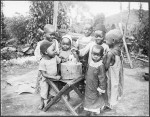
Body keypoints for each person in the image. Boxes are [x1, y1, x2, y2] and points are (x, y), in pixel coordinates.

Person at [82, 45, 107, 116]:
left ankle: (94, 110)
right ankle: (89, 109)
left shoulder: (100, 65)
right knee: (88, 97)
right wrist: (86, 79)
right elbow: (87, 72)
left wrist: (101, 89)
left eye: (98, 55)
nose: (95, 56)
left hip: (95, 86)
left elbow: (102, 78)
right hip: (89, 84)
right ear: (91, 54)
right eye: (94, 54)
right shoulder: (90, 63)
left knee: (95, 97)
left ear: (101, 56)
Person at [34, 24, 59, 94]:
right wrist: (44, 60)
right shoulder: (41, 43)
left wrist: (55, 53)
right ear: (45, 34)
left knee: (53, 83)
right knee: (43, 84)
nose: (52, 36)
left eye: (53, 34)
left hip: (52, 65)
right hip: (45, 66)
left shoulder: (55, 42)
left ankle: (51, 97)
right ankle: (43, 98)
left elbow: (56, 50)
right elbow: (37, 55)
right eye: (50, 34)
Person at [103, 29, 124, 109]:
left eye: (106, 40)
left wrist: (103, 59)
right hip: (116, 75)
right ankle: (112, 102)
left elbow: (106, 67)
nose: (105, 41)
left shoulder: (110, 53)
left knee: (109, 88)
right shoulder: (119, 51)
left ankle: (107, 104)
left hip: (110, 75)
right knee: (115, 87)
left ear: (113, 41)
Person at [38, 40, 61, 110]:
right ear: (46, 52)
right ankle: (42, 102)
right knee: (44, 92)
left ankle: (49, 100)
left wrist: (58, 72)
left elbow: (59, 62)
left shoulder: (55, 57)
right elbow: (44, 74)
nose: (55, 51)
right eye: (53, 50)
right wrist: (54, 77)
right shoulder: (42, 61)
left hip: (54, 79)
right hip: (46, 79)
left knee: (54, 91)